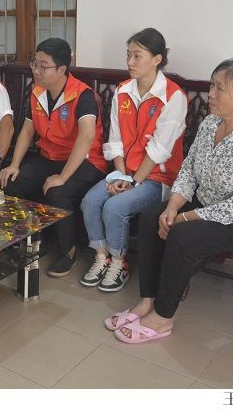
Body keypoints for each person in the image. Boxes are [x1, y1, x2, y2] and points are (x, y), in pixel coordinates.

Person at [108, 58, 233, 343]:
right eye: (211, 85)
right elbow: (189, 171)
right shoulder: (210, 123)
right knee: (152, 215)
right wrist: (172, 207)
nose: (210, 94)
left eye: (219, 88)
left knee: (184, 235)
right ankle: (147, 300)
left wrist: (185, 217)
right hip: (209, 204)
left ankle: (163, 317)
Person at [79, 28, 187, 292]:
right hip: (126, 172)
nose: (130, 62)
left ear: (157, 59)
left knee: (114, 207)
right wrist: (120, 175)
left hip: (157, 178)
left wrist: (133, 182)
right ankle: (102, 257)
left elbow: (159, 150)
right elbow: (115, 139)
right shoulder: (123, 91)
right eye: (128, 55)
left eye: (137, 56)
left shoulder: (173, 96)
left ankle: (120, 262)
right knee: (90, 201)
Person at [0, 38, 108, 277]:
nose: (36, 71)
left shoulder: (83, 95)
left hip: (85, 162)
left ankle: (68, 251)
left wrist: (62, 177)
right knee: (11, 180)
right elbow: (27, 131)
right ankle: (25, 240)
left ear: (62, 69)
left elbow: (86, 137)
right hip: (49, 157)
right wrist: (14, 164)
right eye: (34, 64)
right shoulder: (37, 92)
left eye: (43, 66)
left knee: (58, 191)